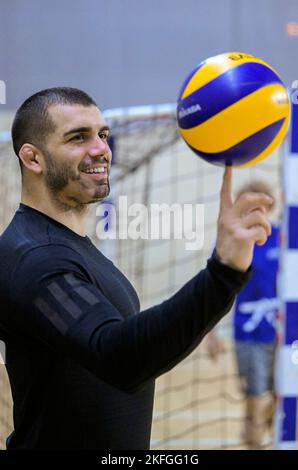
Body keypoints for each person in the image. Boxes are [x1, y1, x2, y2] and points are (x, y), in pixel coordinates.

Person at [0, 88, 273, 450]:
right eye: (78, 137)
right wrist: (223, 273)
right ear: (33, 158)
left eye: (103, 135)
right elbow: (119, 357)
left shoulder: (65, 245)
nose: (101, 149)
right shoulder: (34, 257)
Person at [207, 180, 279, 449]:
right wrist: (211, 334)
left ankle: (260, 432)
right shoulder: (233, 240)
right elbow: (214, 290)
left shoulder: (284, 238)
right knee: (254, 397)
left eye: (262, 204)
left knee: (280, 396)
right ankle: (253, 440)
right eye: (250, 204)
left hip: (283, 336)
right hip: (248, 334)